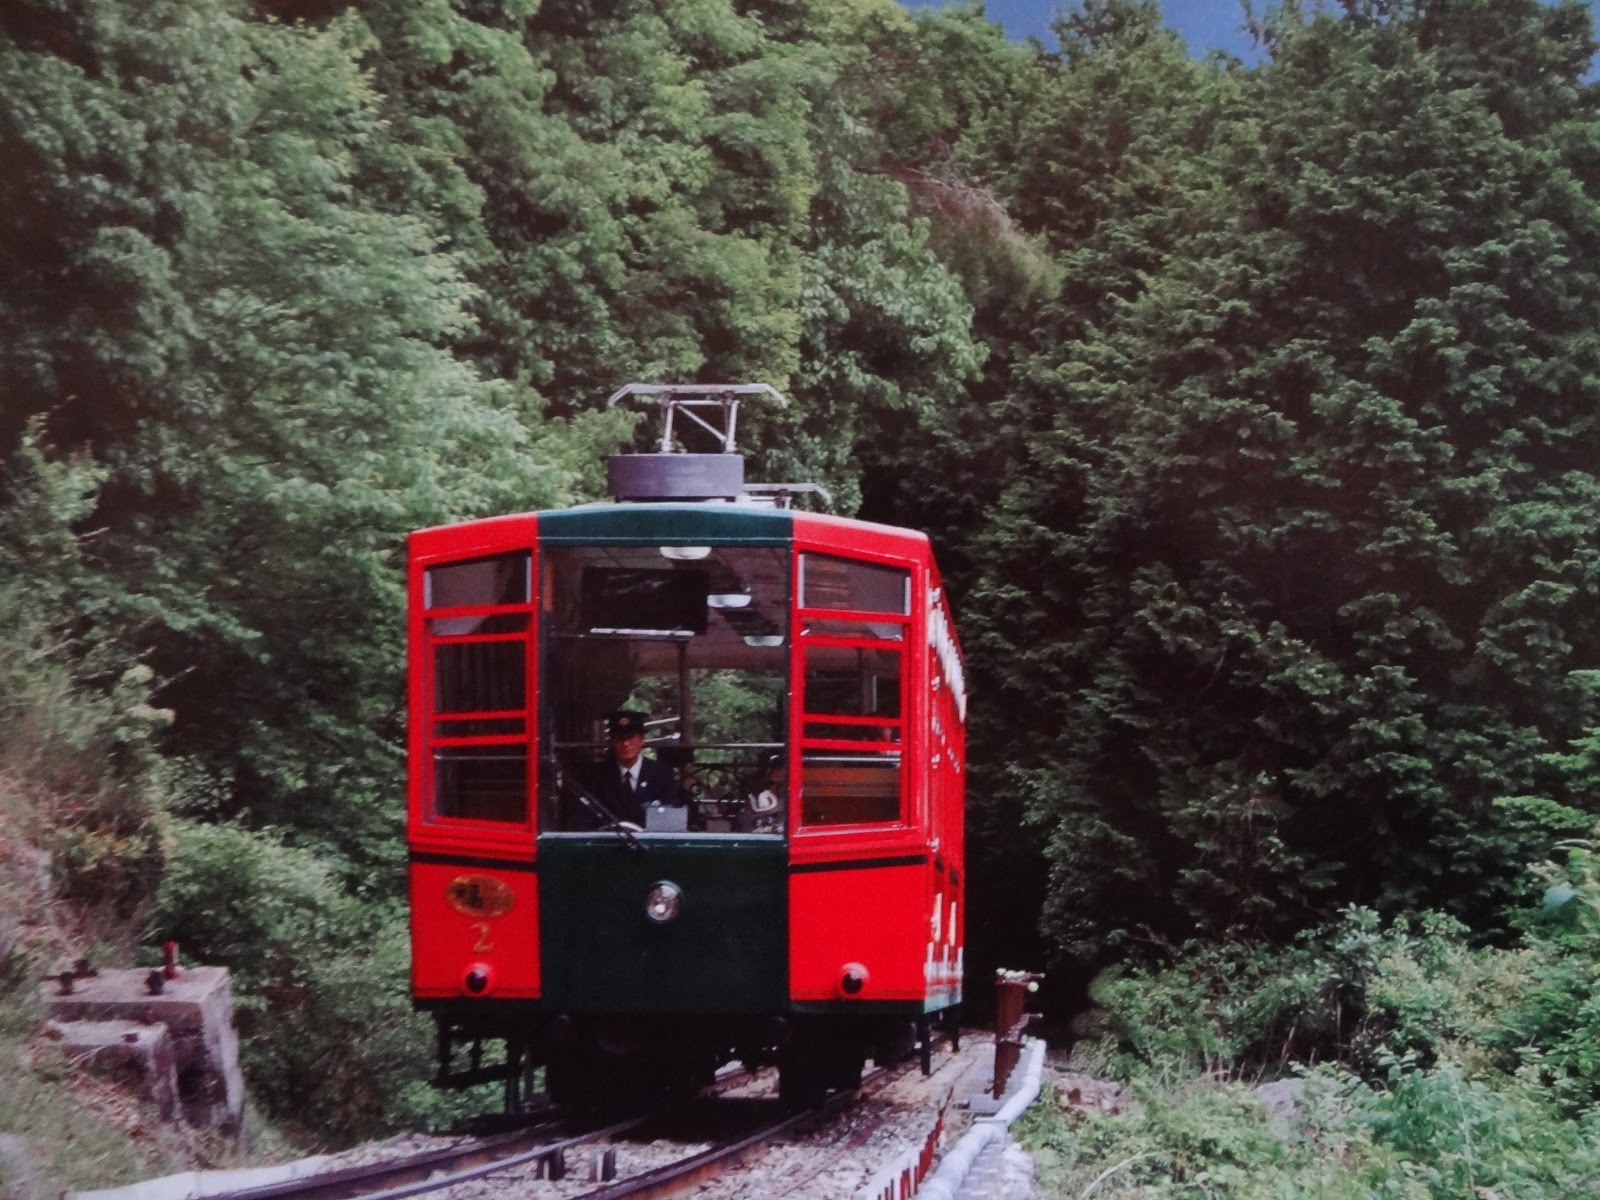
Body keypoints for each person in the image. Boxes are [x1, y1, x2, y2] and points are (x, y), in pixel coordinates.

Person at [566, 711, 687, 829]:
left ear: (642, 740)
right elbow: (583, 820)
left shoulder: (661, 774)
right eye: (620, 739)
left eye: (631, 737)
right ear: (612, 742)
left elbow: (670, 820)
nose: (626, 744)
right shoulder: (595, 776)